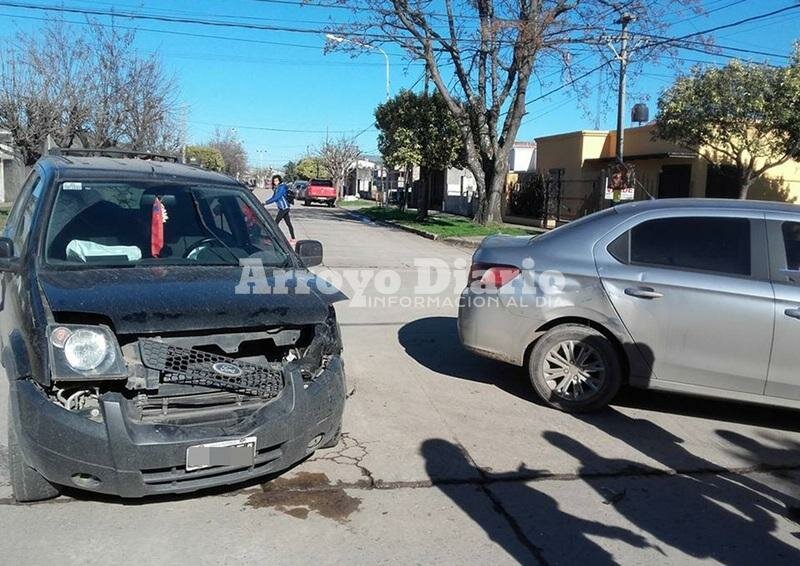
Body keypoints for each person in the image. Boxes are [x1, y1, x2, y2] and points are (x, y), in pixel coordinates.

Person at [264, 174, 295, 240]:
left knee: (275, 224)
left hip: (284, 208)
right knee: (288, 223)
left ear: (279, 181)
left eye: (277, 181)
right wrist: (265, 202)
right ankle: (293, 238)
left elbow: (277, 197)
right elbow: (273, 197)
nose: (275, 182)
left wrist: (266, 202)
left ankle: (272, 239)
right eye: (274, 181)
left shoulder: (282, 187)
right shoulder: (276, 188)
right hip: (283, 208)